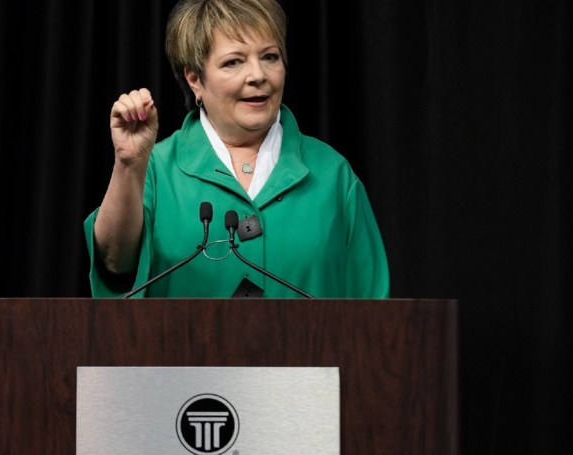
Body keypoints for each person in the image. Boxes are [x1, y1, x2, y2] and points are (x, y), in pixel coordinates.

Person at [83, 0, 389, 298]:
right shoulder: (155, 169)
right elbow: (115, 263)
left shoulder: (332, 174)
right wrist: (129, 164)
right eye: (234, 62)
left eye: (270, 57)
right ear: (195, 79)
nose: (258, 75)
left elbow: (376, 318)